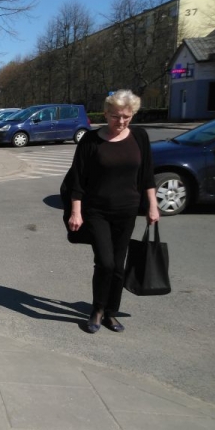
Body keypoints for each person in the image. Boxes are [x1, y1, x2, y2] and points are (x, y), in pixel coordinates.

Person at [66, 90, 160, 334]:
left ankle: (110, 312)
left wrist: (152, 205)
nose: (121, 121)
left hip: (127, 211)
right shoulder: (90, 140)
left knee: (118, 265)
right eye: (116, 116)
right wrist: (76, 212)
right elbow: (78, 180)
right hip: (96, 211)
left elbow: (147, 175)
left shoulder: (139, 137)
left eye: (127, 117)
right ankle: (97, 309)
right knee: (105, 262)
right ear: (106, 114)